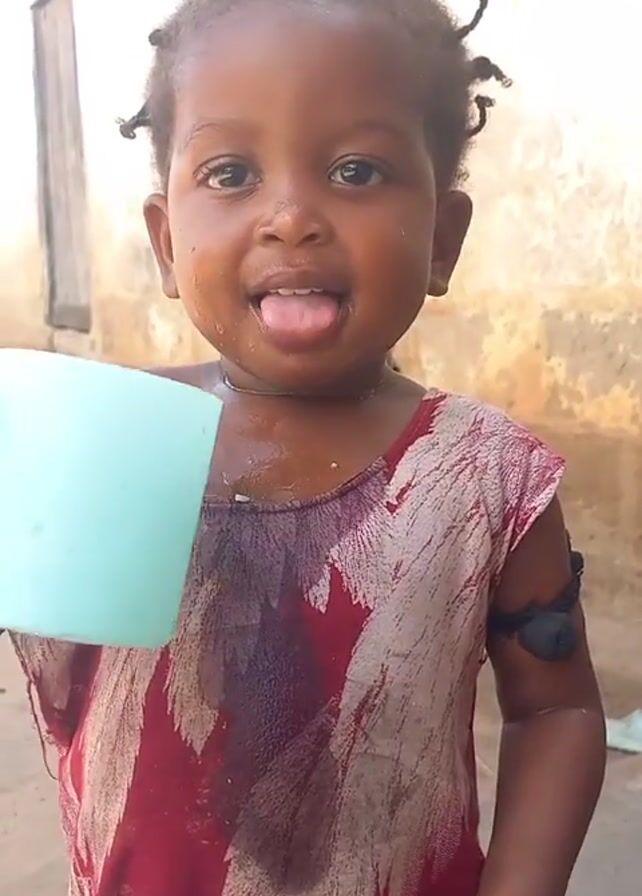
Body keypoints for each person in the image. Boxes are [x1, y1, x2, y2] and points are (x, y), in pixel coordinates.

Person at [5, 1, 606, 894]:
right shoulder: (97, 441)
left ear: (442, 239)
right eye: (231, 172)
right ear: (167, 243)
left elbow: (554, 710)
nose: (290, 217)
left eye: (356, 170)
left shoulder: (484, 476)